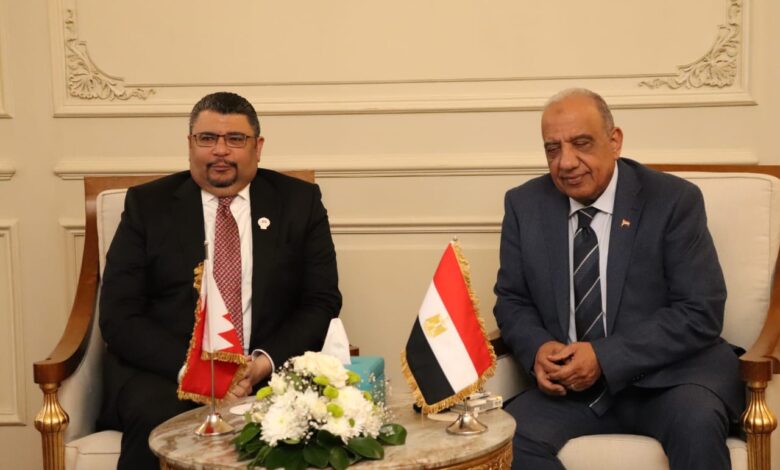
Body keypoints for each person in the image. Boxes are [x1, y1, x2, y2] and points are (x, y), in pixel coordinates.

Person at [493, 88, 743, 469]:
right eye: (552, 149)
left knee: (697, 424)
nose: (566, 162)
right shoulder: (524, 205)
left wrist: (604, 357)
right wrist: (538, 349)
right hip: (571, 392)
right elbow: (512, 300)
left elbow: (701, 310)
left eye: (581, 143)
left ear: (614, 141)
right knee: (503, 442)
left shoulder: (673, 200)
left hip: (668, 380)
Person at [97, 91, 342, 469]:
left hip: (266, 371)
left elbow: (321, 300)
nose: (220, 151)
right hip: (169, 374)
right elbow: (119, 314)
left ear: (258, 147)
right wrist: (197, 371)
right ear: (190, 144)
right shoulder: (148, 205)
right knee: (154, 420)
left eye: (235, 139)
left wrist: (260, 364)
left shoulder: (299, 202)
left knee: (311, 423)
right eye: (207, 138)